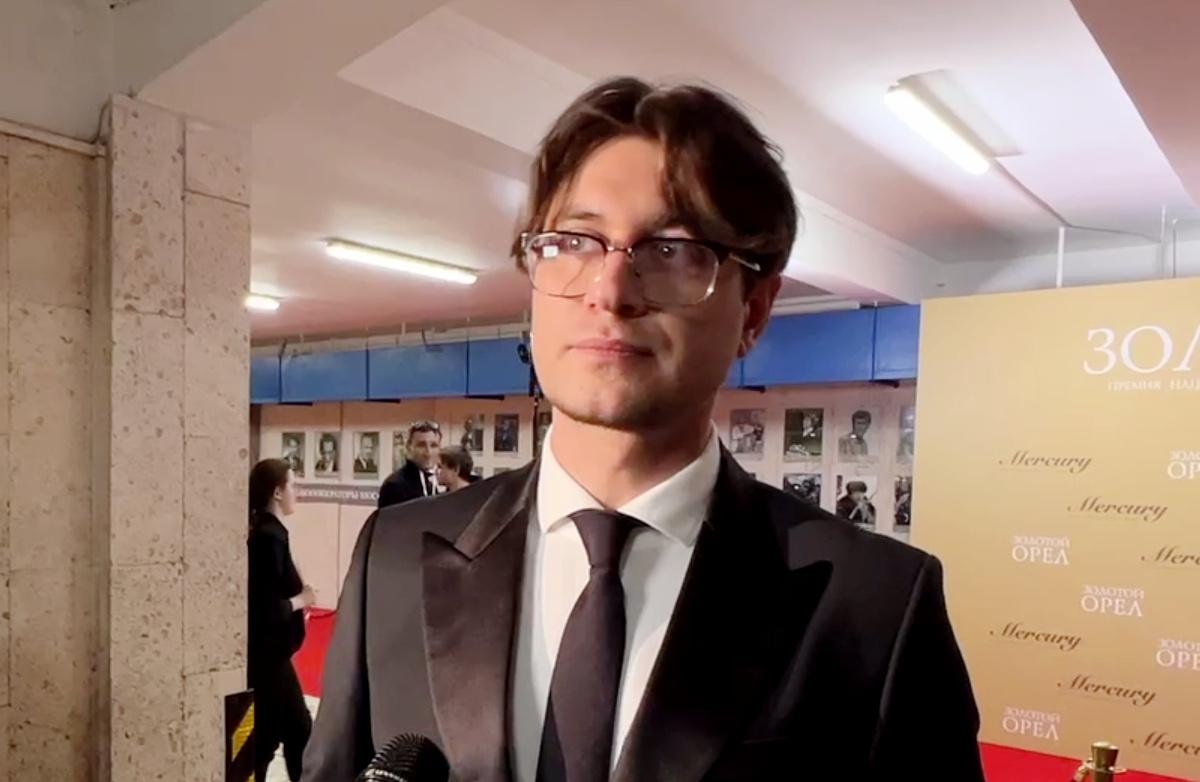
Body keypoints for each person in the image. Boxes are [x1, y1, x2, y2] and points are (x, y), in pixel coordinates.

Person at [303, 77, 983, 782]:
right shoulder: (397, 557)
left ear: (754, 309)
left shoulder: (873, 604)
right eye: (574, 241)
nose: (609, 290)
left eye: (671, 249)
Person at [248, 458, 315, 781]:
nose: (295, 492)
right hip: (269, 658)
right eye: (292, 485)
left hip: (274, 657)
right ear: (277, 492)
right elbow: (266, 607)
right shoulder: (269, 538)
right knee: (268, 740)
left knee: (296, 732)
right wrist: (302, 600)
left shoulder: (270, 533)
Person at [377, 421, 442, 508]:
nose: (428, 453)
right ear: (409, 447)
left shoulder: (432, 483)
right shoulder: (394, 485)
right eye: (421, 445)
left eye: (434, 446)